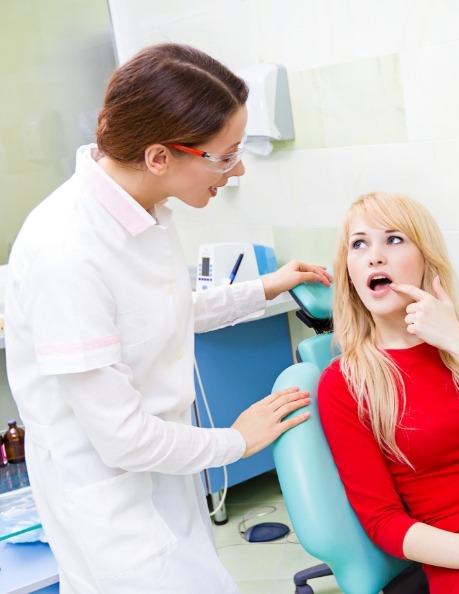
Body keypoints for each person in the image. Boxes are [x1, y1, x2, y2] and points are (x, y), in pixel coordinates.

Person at [4, 43, 331, 594]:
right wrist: (237, 440)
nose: (237, 168)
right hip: (110, 493)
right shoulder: (67, 249)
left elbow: (160, 311)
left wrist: (266, 288)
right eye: (225, 156)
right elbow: (123, 440)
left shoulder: (142, 207)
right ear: (160, 156)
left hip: (161, 470)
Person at [318, 191, 459, 594]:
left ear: (426, 259)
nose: (374, 256)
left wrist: (458, 341)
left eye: (394, 239)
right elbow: (384, 522)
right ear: (348, 270)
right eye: (359, 244)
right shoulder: (345, 383)